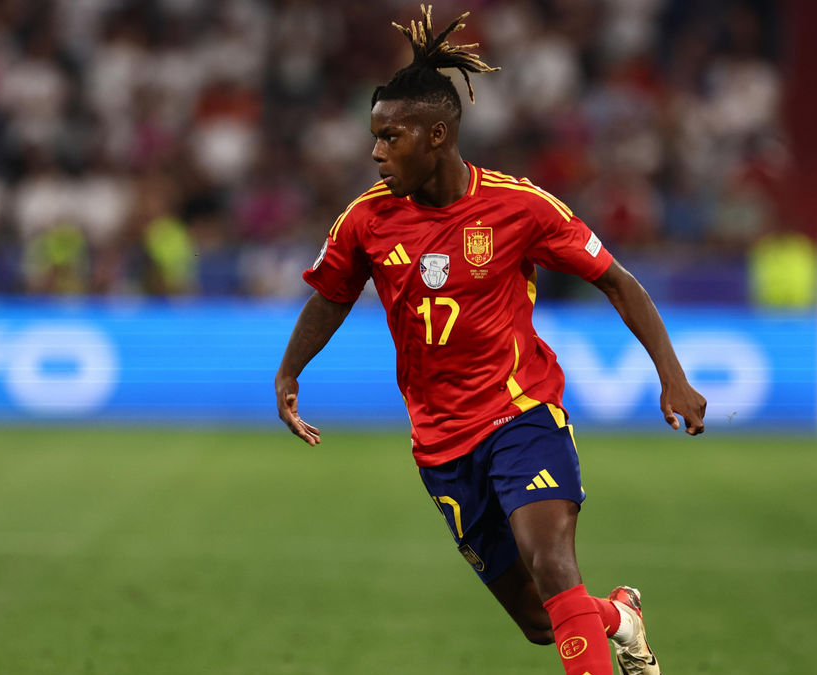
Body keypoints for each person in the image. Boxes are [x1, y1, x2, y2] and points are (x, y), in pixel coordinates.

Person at [274, 7, 706, 675]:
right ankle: (620, 615)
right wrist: (290, 370)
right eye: (375, 137)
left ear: (437, 135)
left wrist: (672, 375)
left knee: (554, 561)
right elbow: (332, 293)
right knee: (541, 620)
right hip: (441, 444)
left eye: (389, 137)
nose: (375, 151)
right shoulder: (365, 220)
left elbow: (618, 281)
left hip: (521, 414)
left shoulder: (520, 207)